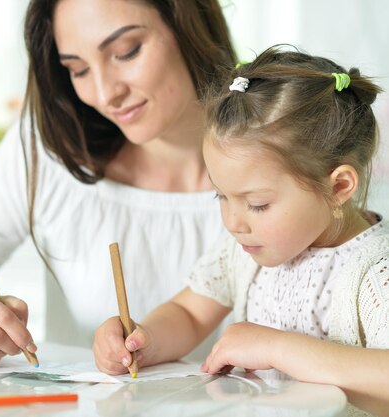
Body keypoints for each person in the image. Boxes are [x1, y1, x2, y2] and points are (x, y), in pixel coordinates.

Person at [0, 0, 236, 368]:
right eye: (77, 70)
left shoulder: (286, 153)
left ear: (190, 23)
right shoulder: (48, 152)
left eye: (127, 52)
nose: (105, 93)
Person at [92, 45, 388, 416]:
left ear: (338, 187)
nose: (233, 221)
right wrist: (141, 340)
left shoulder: (376, 270)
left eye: (258, 204)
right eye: (222, 195)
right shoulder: (245, 251)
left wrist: (278, 348)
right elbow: (189, 313)